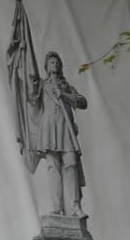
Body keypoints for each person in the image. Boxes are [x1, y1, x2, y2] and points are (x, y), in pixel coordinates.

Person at [24, 51, 88, 217]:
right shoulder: (43, 86)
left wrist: (64, 95)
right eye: (52, 62)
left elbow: (83, 102)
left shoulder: (66, 86)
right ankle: (57, 206)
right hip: (50, 129)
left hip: (65, 128)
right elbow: (30, 94)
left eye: (57, 62)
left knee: (71, 164)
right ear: (47, 67)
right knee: (53, 168)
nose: (55, 65)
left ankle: (75, 207)